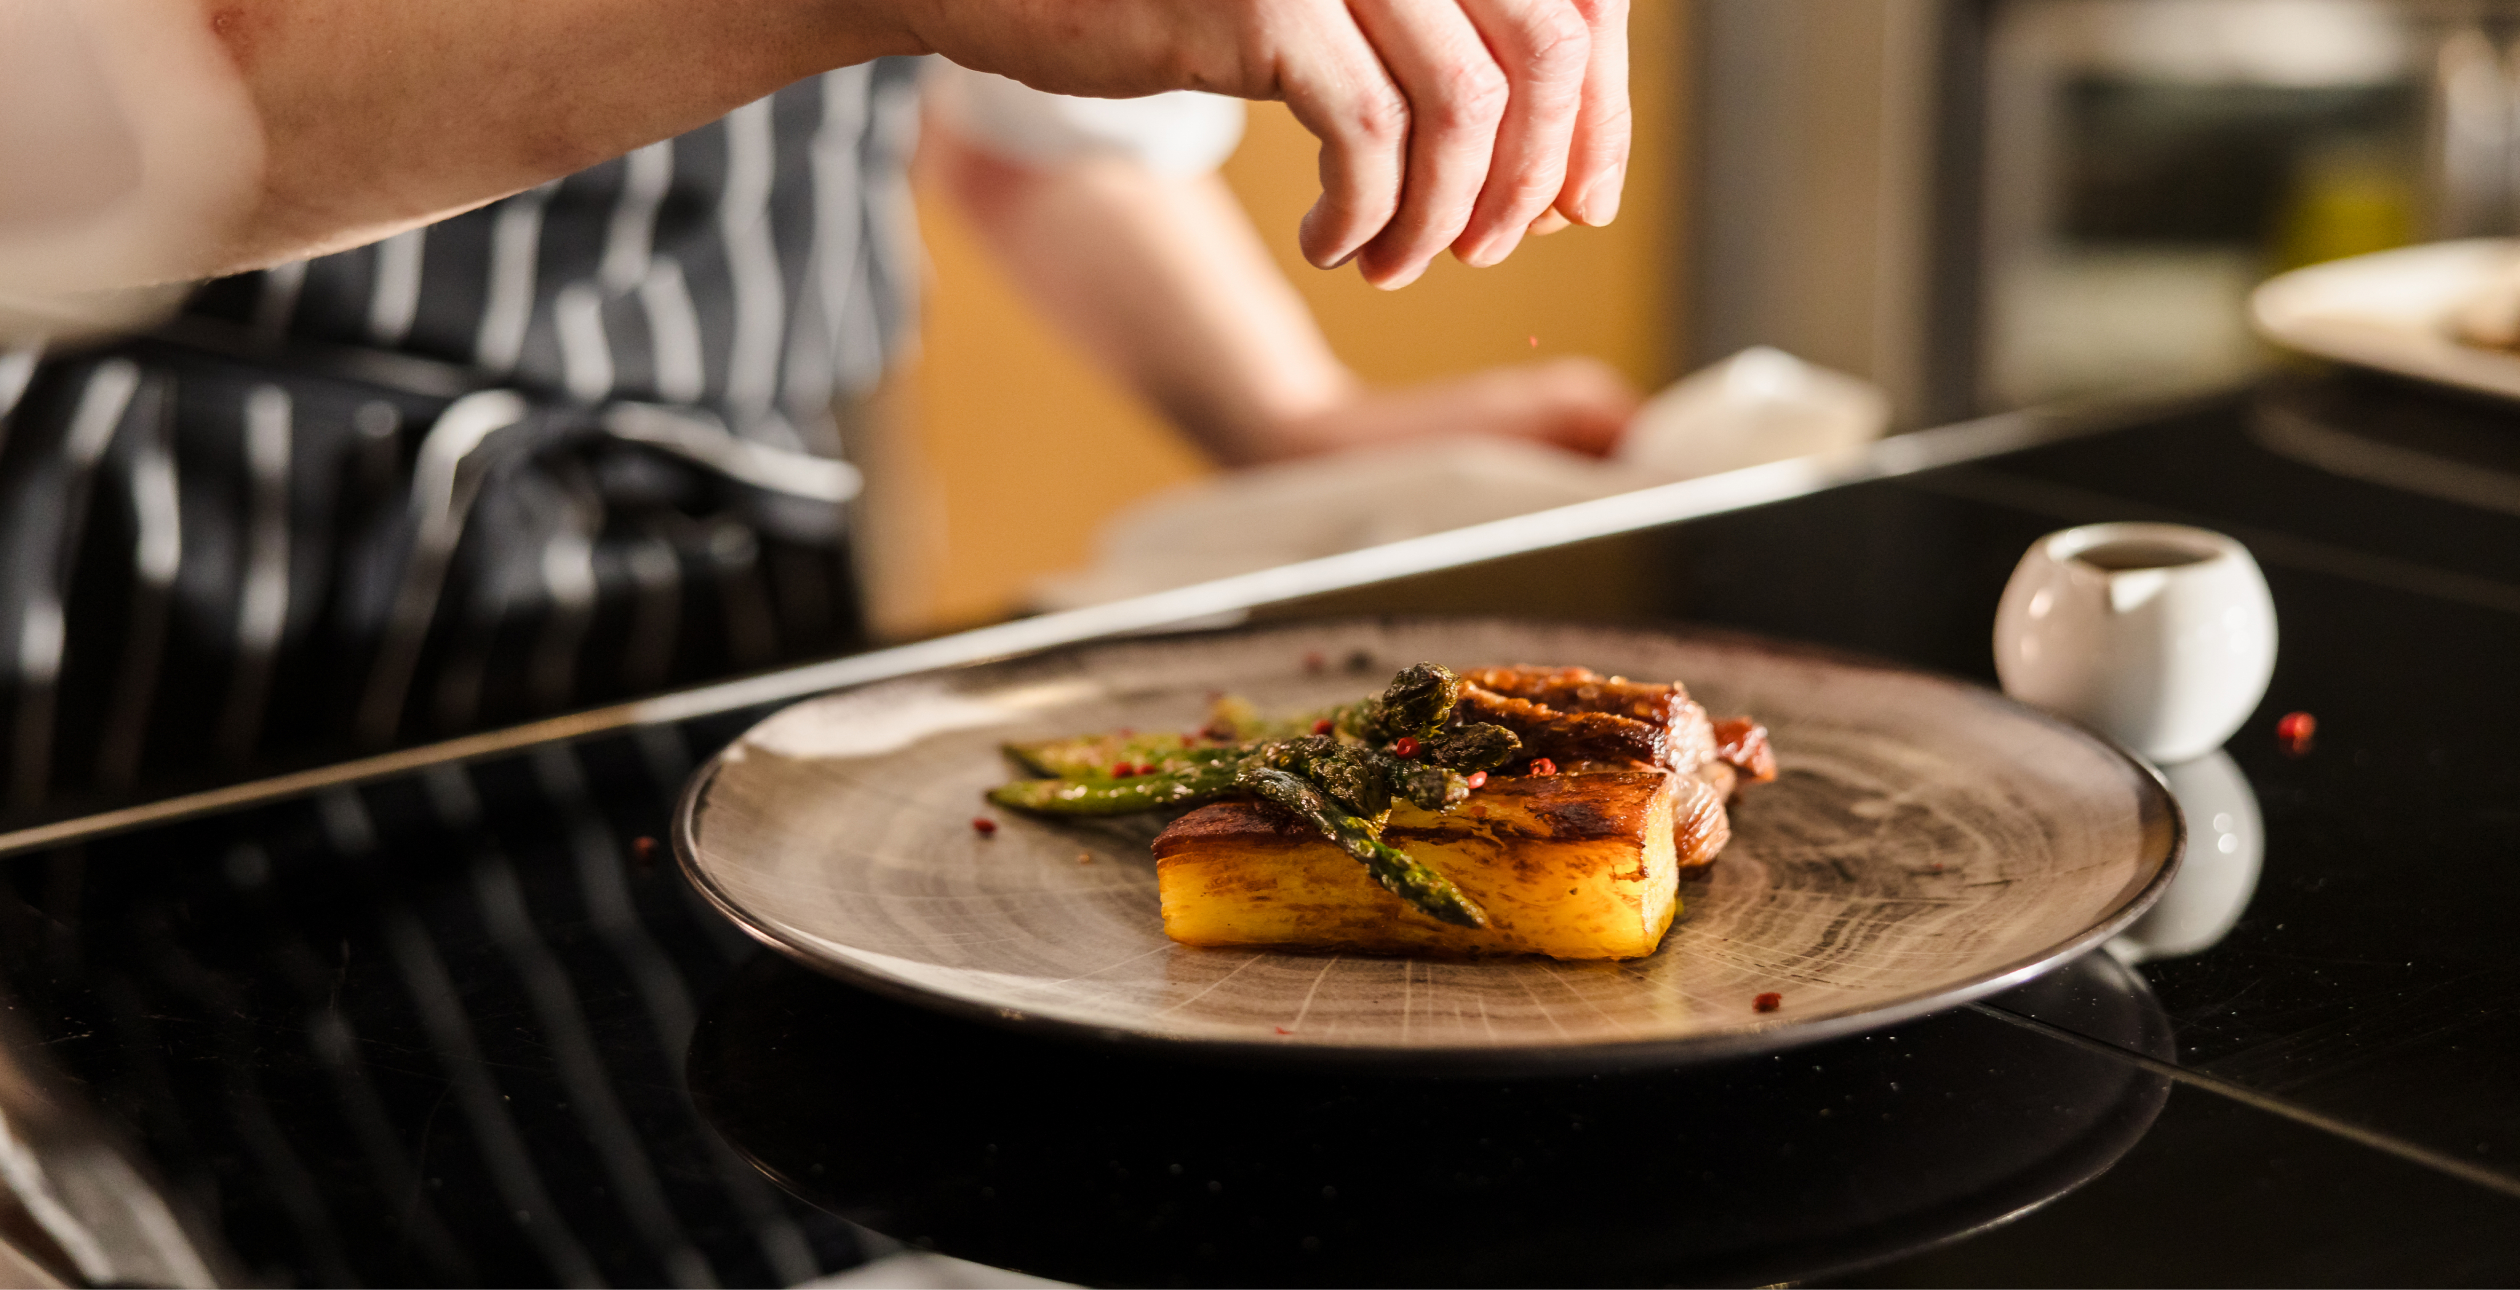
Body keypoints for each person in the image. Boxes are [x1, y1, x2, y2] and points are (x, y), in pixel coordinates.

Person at [0, 0, 1639, 810]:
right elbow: (114, 128)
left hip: (728, 571)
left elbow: (1029, 108)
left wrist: (1284, 418)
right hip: (150, 609)